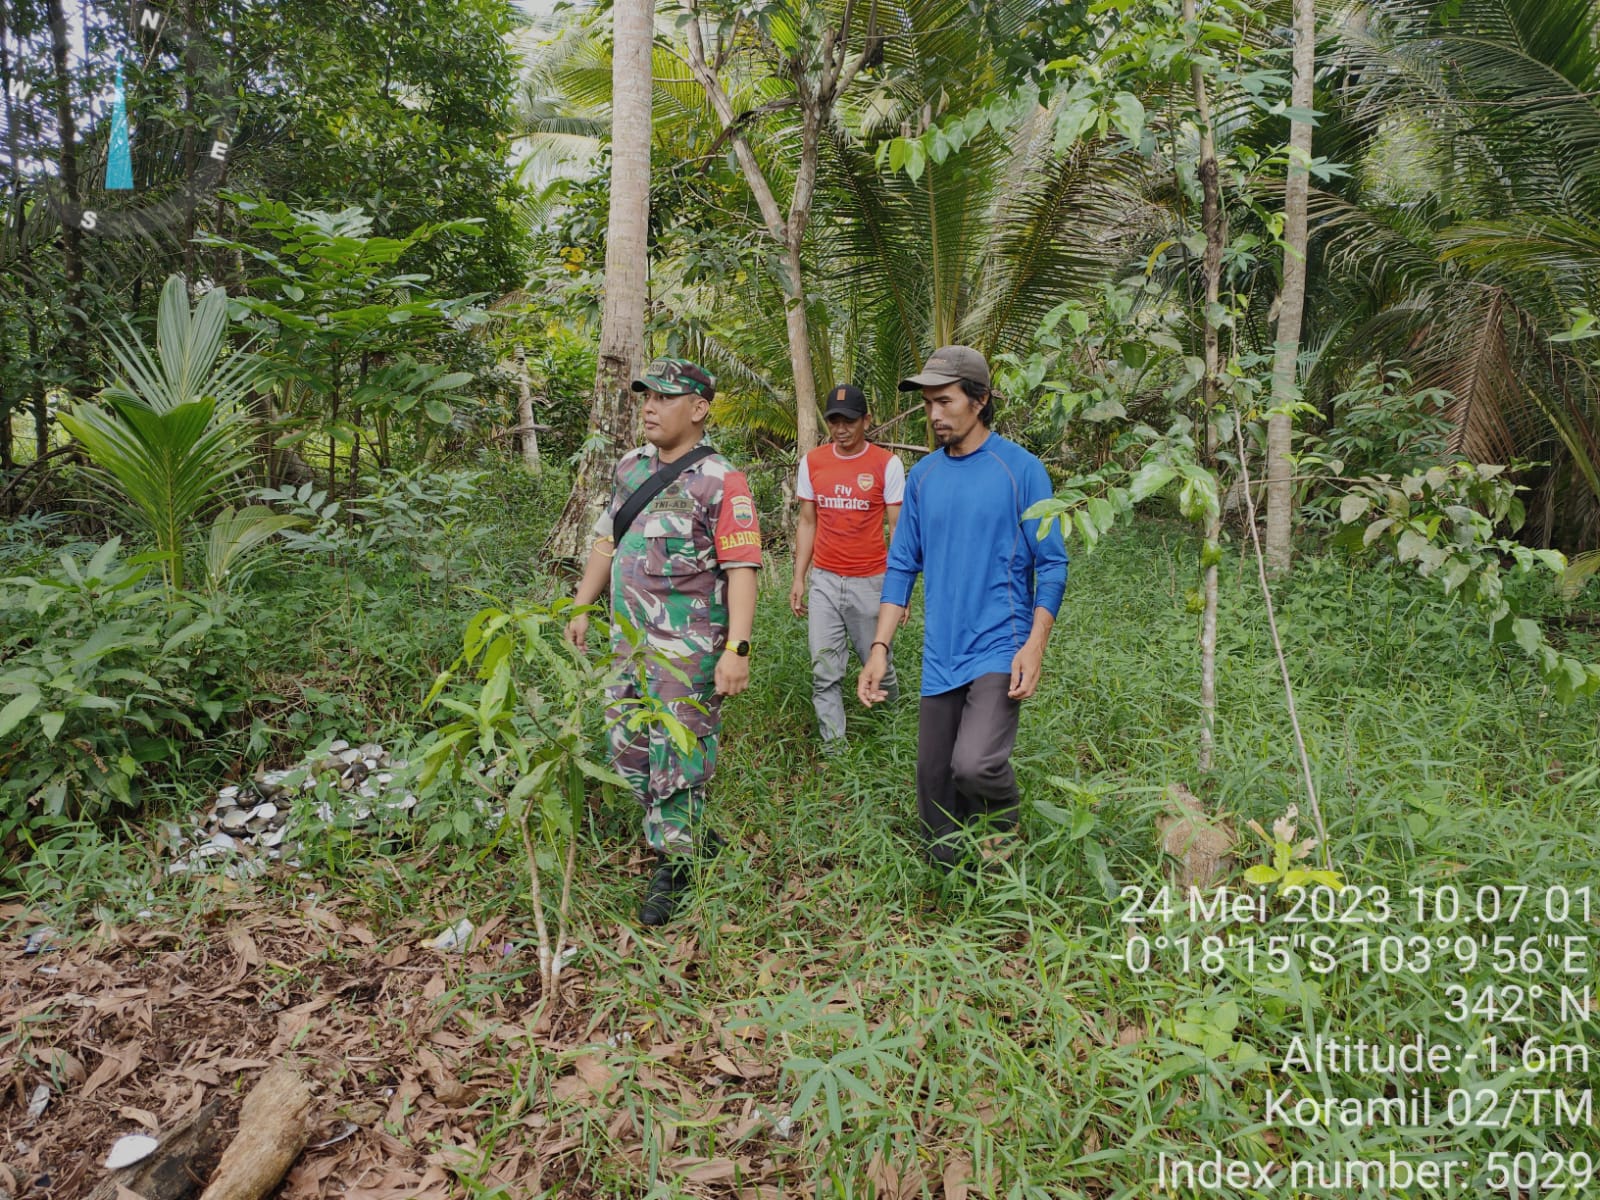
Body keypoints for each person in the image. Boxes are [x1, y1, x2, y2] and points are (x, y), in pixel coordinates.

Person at [563, 357, 761, 925]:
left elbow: (743, 567)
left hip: (688, 652)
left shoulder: (723, 481)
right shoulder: (629, 468)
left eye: (664, 397)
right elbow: (606, 540)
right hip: (628, 645)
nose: (649, 407)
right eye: (645, 396)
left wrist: (737, 649)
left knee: (679, 755)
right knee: (627, 749)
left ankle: (676, 863)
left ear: (698, 409)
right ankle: (687, 830)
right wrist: (582, 605)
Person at [856, 345, 1068, 868]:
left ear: (980, 400)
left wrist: (1035, 645)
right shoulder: (924, 475)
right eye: (928, 404)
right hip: (940, 651)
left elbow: (1053, 564)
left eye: (945, 401)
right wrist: (880, 647)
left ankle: (1002, 833)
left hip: (1000, 644)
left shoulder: (1021, 470)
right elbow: (902, 564)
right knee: (933, 785)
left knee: (974, 765)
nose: (933, 415)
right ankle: (953, 885)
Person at [789, 383, 906, 752]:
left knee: (878, 661)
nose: (841, 429)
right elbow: (808, 522)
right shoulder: (813, 462)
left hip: (871, 582)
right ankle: (835, 750)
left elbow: (898, 530)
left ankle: (893, 728)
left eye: (849, 421)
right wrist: (799, 577)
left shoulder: (887, 465)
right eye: (834, 421)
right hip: (824, 580)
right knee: (824, 669)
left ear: (866, 420)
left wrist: (900, 594)